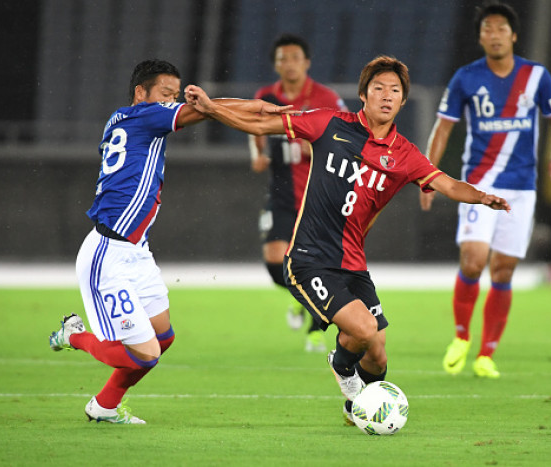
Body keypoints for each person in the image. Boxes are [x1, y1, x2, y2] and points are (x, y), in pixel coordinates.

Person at [184, 55, 510, 424]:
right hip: (309, 259)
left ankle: (352, 410)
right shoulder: (329, 124)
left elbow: (447, 184)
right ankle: (343, 371)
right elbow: (263, 122)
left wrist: (481, 196)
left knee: (378, 353)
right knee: (364, 330)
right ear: (363, 96)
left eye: (395, 91)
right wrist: (212, 109)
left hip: (352, 264)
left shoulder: (405, 155)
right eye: (379, 89)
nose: (387, 96)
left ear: (403, 102)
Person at [48, 59, 289, 423]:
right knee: (144, 353)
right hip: (108, 254)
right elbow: (204, 111)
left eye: (175, 96)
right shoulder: (142, 117)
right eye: (166, 94)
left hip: (136, 252)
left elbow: (204, 110)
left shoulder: (128, 120)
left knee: (162, 338)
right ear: (140, 94)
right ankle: (74, 333)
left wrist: (249, 107)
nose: (173, 102)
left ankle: (104, 406)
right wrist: (256, 107)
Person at [420, 1, 551, 378]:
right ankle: (460, 337)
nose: (495, 34)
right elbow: (443, 128)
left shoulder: (536, 77)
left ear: (514, 35)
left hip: (521, 188)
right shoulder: (466, 78)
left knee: (503, 272)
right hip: (479, 185)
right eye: (487, 29)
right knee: (473, 259)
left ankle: (487, 354)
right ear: (480, 37)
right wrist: (427, 176)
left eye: (501, 28)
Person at [250, 34, 347, 352]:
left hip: (318, 196)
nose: (288, 63)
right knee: (275, 262)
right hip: (281, 193)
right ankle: (300, 300)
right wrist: (258, 153)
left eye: (294, 57)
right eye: (282, 58)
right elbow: (253, 129)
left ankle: (316, 331)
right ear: (276, 64)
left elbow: (345, 135)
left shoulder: (325, 97)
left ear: (306, 62)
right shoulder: (265, 96)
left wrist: (314, 144)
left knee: (316, 265)